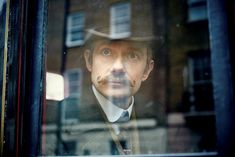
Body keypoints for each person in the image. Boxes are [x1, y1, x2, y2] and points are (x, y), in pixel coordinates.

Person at [77, 28, 155, 155]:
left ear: (146, 70)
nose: (118, 67)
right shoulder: (49, 123)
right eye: (106, 52)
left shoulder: (156, 118)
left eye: (132, 56)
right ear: (89, 61)